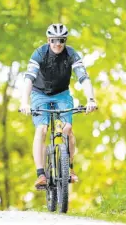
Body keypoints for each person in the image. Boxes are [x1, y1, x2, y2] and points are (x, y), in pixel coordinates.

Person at [19, 23, 97, 189]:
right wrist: (24, 102)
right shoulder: (39, 53)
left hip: (62, 94)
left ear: (65, 40)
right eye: (54, 40)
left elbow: (84, 77)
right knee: (42, 129)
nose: (57, 44)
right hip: (39, 94)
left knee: (67, 129)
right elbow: (28, 79)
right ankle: (41, 173)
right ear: (48, 40)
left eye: (61, 40)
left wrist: (91, 99)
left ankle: (69, 168)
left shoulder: (71, 54)